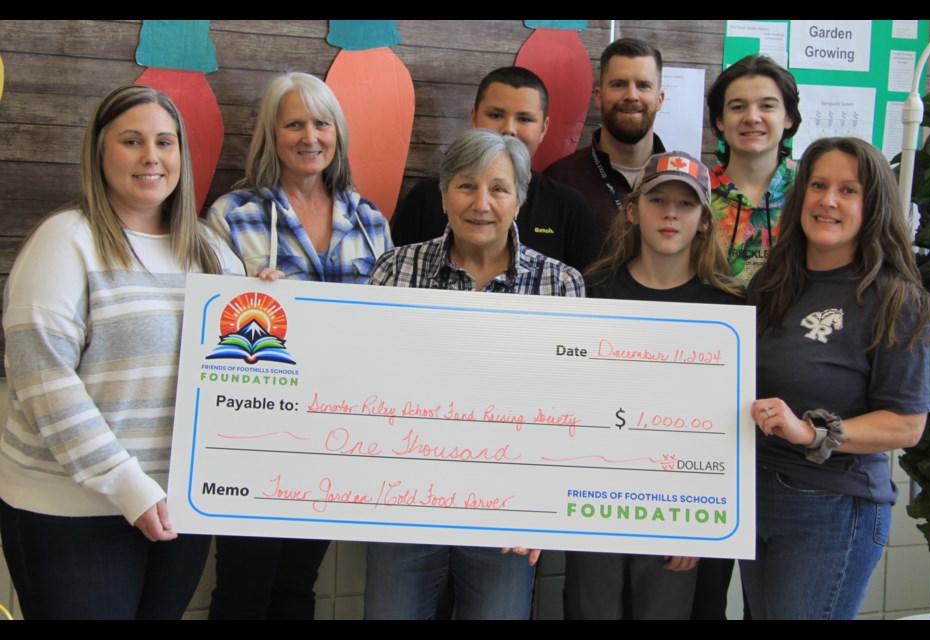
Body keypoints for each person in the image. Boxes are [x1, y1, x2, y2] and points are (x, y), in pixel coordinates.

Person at [0, 85, 243, 619]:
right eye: (131, 141)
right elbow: (42, 378)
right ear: (99, 153)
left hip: (179, 506)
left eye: (165, 141)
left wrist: (274, 303)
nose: (152, 156)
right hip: (72, 510)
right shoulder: (66, 241)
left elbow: (239, 372)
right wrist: (130, 487)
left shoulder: (213, 252)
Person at [364, 128, 584, 620]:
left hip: (506, 518)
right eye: (465, 185)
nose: (481, 203)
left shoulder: (561, 284)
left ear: (520, 200)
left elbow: (571, 409)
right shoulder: (394, 271)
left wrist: (543, 509)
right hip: (403, 508)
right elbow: (362, 384)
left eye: (499, 188)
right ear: (443, 196)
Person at [206, 72, 392, 619]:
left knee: (297, 587)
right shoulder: (231, 216)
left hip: (334, 431)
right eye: (293, 124)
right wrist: (244, 305)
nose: (309, 136)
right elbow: (207, 329)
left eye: (321, 123)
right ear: (271, 134)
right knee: (244, 587)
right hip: (253, 431)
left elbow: (388, 330)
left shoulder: (371, 219)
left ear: (337, 134)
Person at [742, 137, 930, 620]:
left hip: (832, 509)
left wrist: (812, 432)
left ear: (872, 207)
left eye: (848, 190)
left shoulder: (895, 300)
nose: (828, 200)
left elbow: (906, 426)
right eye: (818, 185)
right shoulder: (771, 285)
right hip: (756, 498)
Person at [568, 151, 743, 620]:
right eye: (657, 199)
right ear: (632, 209)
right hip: (594, 506)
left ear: (704, 221)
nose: (670, 213)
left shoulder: (728, 308)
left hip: (678, 517)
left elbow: (727, 430)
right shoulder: (590, 292)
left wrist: (695, 518)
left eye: (685, 205)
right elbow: (567, 402)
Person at [390, 66, 602, 273]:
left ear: (543, 128)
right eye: (495, 115)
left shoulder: (569, 208)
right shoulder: (425, 199)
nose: (509, 128)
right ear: (474, 117)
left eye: (524, 119)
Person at [544, 38, 667, 233]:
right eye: (619, 84)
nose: (631, 95)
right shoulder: (558, 180)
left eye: (643, 85)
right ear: (599, 96)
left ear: (659, 99)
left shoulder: (681, 179)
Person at [707, 54, 802, 287]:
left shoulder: (810, 189)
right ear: (720, 120)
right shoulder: (696, 193)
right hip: (716, 322)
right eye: (738, 107)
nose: (751, 117)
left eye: (767, 106)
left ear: (788, 117)